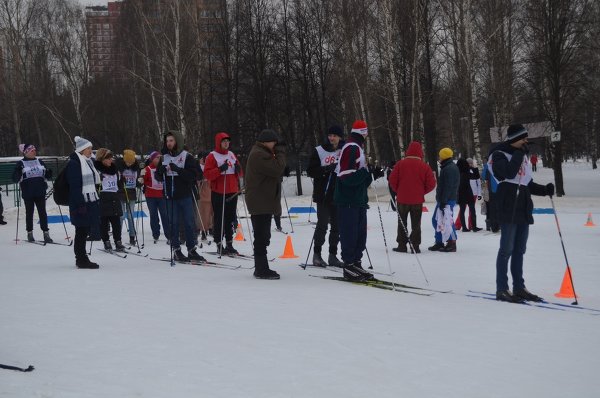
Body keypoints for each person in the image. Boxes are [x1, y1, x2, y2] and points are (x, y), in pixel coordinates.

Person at [489, 124, 554, 303]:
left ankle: (519, 287)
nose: (527, 142)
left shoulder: (522, 157)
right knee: (506, 250)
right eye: (524, 139)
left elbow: (527, 183)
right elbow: (507, 174)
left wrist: (545, 190)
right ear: (515, 139)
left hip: (523, 208)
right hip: (508, 207)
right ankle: (502, 288)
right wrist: (519, 154)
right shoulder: (499, 154)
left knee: (519, 250)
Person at [155, 130, 205, 262]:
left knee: (189, 223)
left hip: (185, 195)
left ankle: (191, 249)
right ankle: (176, 250)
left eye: (171, 141)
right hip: (170, 196)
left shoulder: (186, 156)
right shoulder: (164, 157)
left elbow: (195, 175)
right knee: (174, 224)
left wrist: (178, 170)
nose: (169, 143)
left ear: (177, 141)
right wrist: (160, 172)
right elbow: (158, 176)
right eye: (167, 141)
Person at [245, 129, 287, 279]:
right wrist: (281, 152)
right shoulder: (259, 154)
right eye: (273, 142)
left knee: (264, 236)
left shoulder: (261, 152)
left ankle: (261, 267)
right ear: (265, 142)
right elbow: (277, 169)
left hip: (263, 200)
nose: (275, 145)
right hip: (259, 202)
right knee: (261, 236)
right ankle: (261, 269)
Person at [334, 120, 373, 281]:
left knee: (359, 234)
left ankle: (356, 262)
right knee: (350, 232)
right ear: (363, 133)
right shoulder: (351, 147)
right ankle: (348, 264)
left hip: (358, 199)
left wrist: (370, 174)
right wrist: (365, 173)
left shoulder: (357, 147)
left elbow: (360, 178)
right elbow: (346, 176)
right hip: (349, 200)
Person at [306, 125, 344, 267]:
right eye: (330, 135)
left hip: (338, 194)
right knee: (322, 225)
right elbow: (310, 171)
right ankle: (317, 254)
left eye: (335, 135)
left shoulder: (344, 150)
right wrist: (326, 169)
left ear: (340, 137)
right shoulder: (319, 150)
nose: (332, 138)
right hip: (323, 194)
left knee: (337, 226)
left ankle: (332, 255)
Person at [388, 141, 436, 254]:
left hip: (402, 199)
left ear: (408, 151)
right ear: (420, 152)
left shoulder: (400, 164)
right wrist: (421, 192)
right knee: (416, 224)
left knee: (402, 223)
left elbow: (392, 180)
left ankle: (402, 245)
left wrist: (398, 191)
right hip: (417, 200)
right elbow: (432, 183)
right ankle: (415, 246)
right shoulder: (424, 166)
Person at [203, 132, 243, 255]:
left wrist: (238, 170)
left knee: (230, 218)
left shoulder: (231, 154)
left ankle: (229, 243)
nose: (226, 143)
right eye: (224, 141)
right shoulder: (212, 156)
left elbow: (240, 172)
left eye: (228, 141)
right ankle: (219, 243)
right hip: (219, 192)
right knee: (220, 218)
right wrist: (220, 169)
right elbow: (207, 174)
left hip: (232, 191)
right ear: (219, 142)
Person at [66, 136, 101, 269]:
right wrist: (81, 205)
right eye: (89, 148)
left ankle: (82, 257)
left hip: (89, 200)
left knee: (84, 229)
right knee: (81, 231)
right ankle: (81, 259)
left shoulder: (88, 162)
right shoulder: (74, 164)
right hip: (80, 203)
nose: (91, 151)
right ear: (81, 150)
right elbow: (75, 186)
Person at [12, 144, 53, 243]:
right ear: (26, 152)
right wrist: (17, 175)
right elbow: (14, 178)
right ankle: (29, 232)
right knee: (29, 213)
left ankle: (46, 233)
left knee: (42, 212)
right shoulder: (21, 163)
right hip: (28, 192)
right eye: (32, 150)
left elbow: (45, 175)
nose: (34, 151)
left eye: (35, 150)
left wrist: (49, 173)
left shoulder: (40, 161)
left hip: (40, 191)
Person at [94, 148, 126, 252]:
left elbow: (119, 184)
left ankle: (118, 241)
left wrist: (122, 181)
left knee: (116, 221)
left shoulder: (115, 169)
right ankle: (106, 242)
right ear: (101, 159)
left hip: (114, 197)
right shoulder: (97, 170)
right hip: (102, 197)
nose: (110, 160)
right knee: (103, 222)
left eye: (110, 158)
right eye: (107, 158)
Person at [428, 148, 459, 252]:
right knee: (437, 220)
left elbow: (448, 186)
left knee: (447, 221)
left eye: (440, 156)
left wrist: (444, 200)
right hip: (445, 199)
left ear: (443, 157)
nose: (439, 158)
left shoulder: (449, 168)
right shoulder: (447, 167)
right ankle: (439, 242)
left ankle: (452, 243)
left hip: (447, 199)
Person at [143, 151, 170, 243]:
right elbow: (143, 179)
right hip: (150, 195)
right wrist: (141, 180)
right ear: (152, 159)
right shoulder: (147, 168)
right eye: (156, 158)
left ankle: (169, 235)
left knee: (165, 215)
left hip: (162, 195)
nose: (159, 159)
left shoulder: (164, 168)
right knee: (153, 215)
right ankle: (155, 234)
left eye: (160, 157)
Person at [117, 149, 140, 246]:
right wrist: (120, 182)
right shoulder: (119, 167)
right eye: (127, 162)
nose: (129, 164)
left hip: (131, 193)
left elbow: (137, 180)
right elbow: (116, 180)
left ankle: (132, 237)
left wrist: (140, 182)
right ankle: (118, 237)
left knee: (131, 216)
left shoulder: (136, 168)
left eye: (131, 162)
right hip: (121, 193)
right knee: (121, 216)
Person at [456, 158, 482, 233]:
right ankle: (473, 226)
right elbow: (476, 176)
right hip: (468, 192)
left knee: (463, 210)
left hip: (462, 192)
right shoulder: (467, 171)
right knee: (471, 209)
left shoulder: (458, 172)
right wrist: (475, 167)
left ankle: (465, 227)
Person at [196, 152, 213, 242]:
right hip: (202, 193)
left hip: (211, 192)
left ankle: (210, 228)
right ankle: (203, 230)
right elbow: (197, 179)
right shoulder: (198, 167)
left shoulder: (210, 166)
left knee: (210, 213)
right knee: (203, 213)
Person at [481, 159, 499, 232]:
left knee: (491, 208)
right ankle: (499, 224)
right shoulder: (502, 163)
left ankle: (492, 226)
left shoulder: (488, 165)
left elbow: (483, 176)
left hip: (491, 189)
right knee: (499, 207)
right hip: (501, 189)